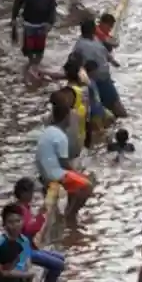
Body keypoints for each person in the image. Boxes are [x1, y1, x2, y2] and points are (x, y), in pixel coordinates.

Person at [36, 91, 94, 224]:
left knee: (76, 181)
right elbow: (64, 165)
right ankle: (70, 215)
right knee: (87, 186)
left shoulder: (48, 131)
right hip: (54, 173)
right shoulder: (61, 137)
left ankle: (68, 210)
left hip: (45, 171)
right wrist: (79, 175)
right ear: (66, 117)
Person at [9, 180, 66, 282]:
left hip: (30, 246)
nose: (32, 195)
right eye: (30, 192)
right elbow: (30, 229)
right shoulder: (20, 210)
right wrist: (40, 216)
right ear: (22, 193)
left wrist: (39, 215)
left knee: (60, 258)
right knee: (58, 265)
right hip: (24, 251)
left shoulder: (25, 207)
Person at [73, 18, 127, 118]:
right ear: (93, 30)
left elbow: (104, 52)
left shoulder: (95, 39)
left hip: (104, 79)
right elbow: (76, 65)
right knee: (103, 112)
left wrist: (113, 61)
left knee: (118, 110)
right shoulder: (79, 46)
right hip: (93, 82)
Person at [12, 0, 58, 79]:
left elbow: (52, 9)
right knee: (29, 48)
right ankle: (31, 66)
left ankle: (35, 67)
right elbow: (18, 3)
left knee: (40, 48)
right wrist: (13, 18)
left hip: (43, 25)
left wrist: (50, 23)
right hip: (29, 24)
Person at [0, 205, 45, 282]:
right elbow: (0, 270)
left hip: (23, 277)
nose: (15, 225)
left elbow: (28, 262)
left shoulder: (24, 240)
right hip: (8, 280)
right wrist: (28, 275)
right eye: (10, 222)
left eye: (18, 221)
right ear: (4, 223)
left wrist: (31, 277)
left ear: (23, 221)